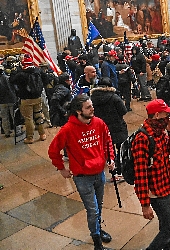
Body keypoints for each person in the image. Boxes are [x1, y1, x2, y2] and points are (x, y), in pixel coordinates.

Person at [48, 94, 115, 250]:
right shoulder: (68, 129)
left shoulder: (99, 123)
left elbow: (107, 141)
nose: (92, 109)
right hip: (83, 177)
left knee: (98, 206)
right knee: (93, 211)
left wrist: (110, 158)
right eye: (88, 107)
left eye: (92, 106)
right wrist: (61, 168)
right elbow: (53, 150)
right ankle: (97, 243)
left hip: (99, 174)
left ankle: (97, 230)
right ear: (78, 111)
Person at [132, 99, 170, 250]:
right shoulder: (143, 138)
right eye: (167, 114)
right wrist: (145, 204)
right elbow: (140, 174)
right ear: (157, 115)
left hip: (165, 186)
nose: (169, 117)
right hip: (155, 192)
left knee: (165, 225)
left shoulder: (161, 132)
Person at [90, 77, 128, 182]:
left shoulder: (92, 98)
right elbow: (123, 111)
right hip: (118, 126)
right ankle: (120, 172)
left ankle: (113, 173)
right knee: (121, 150)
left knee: (108, 151)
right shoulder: (114, 97)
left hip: (102, 128)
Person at [10, 55, 47, 144]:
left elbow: (12, 80)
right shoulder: (37, 70)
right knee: (38, 116)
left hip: (26, 99)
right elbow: (46, 78)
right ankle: (42, 135)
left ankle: (30, 138)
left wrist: (14, 71)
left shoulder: (21, 74)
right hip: (38, 97)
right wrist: (41, 87)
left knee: (28, 119)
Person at [0, 64, 17, 138]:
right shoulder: (8, 78)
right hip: (11, 99)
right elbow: (15, 88)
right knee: (14, 116)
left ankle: (6, 132)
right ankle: (17, 131)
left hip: (1, 101)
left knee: (4, 117)